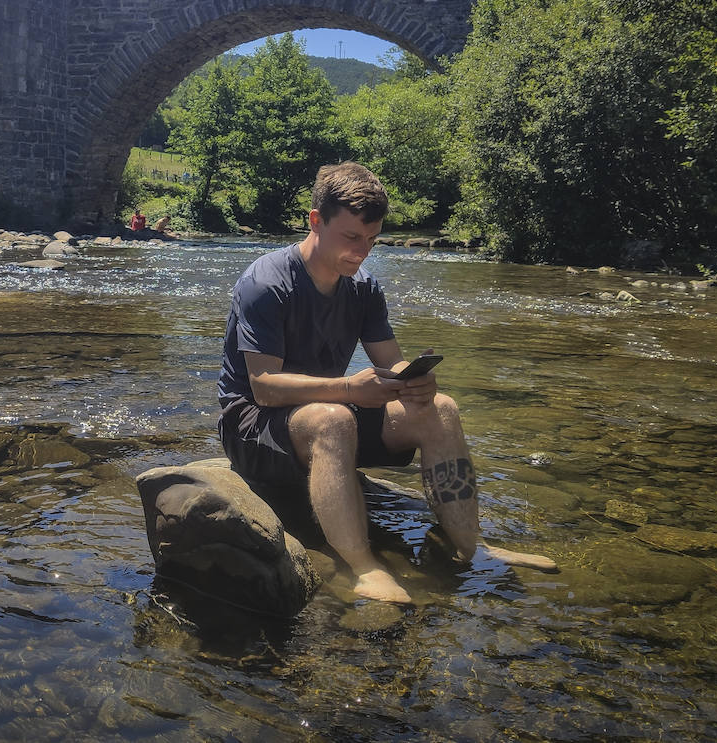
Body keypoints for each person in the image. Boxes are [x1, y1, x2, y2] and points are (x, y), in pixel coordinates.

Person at [217, 161, 551, 604]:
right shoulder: (267, 282)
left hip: (323, 412)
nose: (361, 252)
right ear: (315, 221)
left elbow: (391, 362)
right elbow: (264, 387)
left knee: (441, 408)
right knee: (333, 419)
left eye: (371, 240)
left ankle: (472, 546)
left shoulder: (363, 287)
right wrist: (352, 391)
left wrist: (416, 383)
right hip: (253, 426)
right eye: (351, 238)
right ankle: (363, 566)